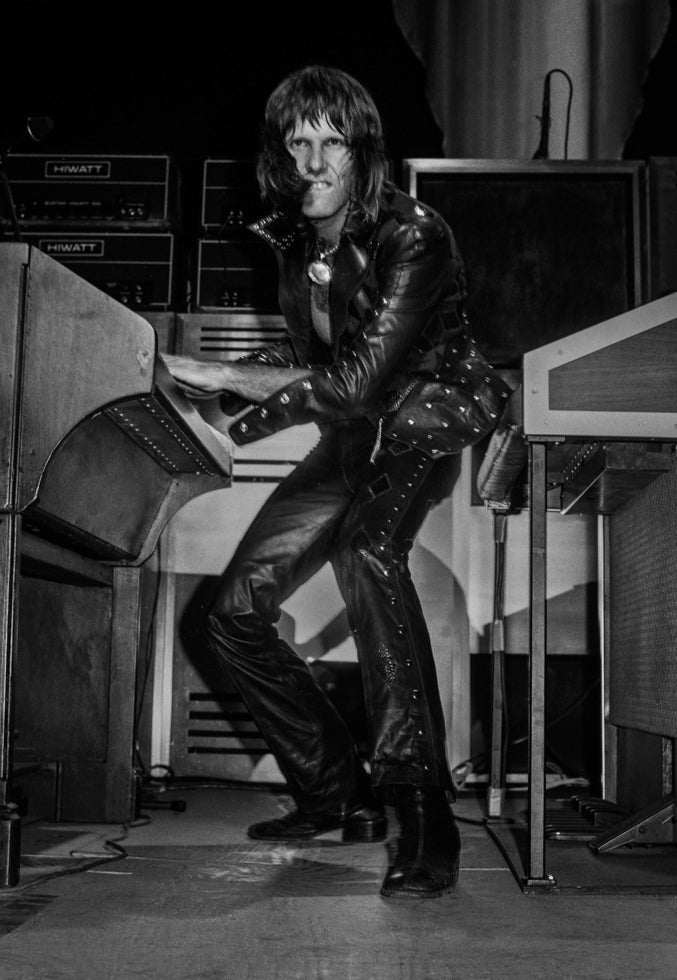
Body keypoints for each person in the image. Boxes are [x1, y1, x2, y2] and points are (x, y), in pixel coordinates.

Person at [164, 64, 511, 899]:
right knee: (229, 613)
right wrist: (198, 381)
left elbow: (355, 380)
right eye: (298, 143)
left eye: (333, 143)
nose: (314, 162)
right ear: (278, 154)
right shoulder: (296, 239)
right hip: (357, 432)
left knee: (367, 552)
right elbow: (313, 354)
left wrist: (225, 381)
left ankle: (421, 814)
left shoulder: (413, 234)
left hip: (424, 417)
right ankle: (337, 793)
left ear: (363, 153)